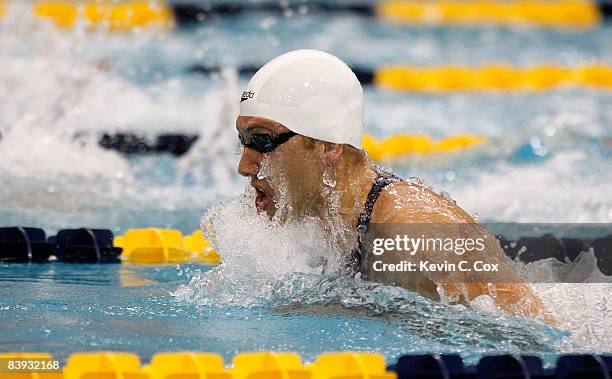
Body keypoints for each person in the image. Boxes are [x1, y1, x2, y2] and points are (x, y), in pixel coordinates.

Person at [235, 49, 556, 325]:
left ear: (328, 147)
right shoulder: (328, 216)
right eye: (244, 142)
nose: (244, 167)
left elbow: (531, 345)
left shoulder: (413, 236)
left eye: (263, 141)